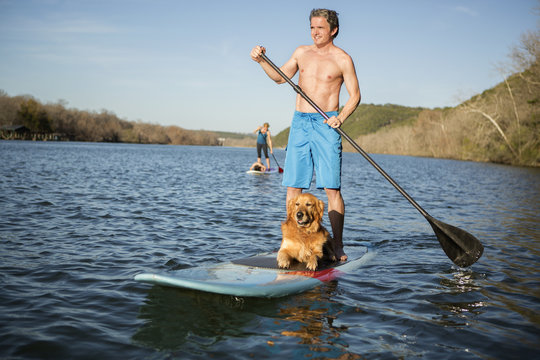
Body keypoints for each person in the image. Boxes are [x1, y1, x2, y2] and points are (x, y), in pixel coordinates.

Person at [250, 8, 361, 261]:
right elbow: (280, 78)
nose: (315, 33)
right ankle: (290, 244)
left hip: (326, 123)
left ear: (333, 30)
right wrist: (262, 61)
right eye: (312, 27)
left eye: (320, 28)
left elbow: (355, 96)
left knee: (332, 188)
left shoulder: (343, 59)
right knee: (293, 188)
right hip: (300, 123)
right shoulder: (302, 52)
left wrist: (340, 118)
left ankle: (338, 245)